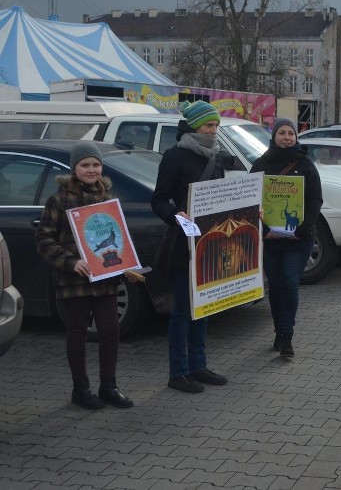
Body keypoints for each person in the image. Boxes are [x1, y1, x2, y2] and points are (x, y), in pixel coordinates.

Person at [35, 142, 134, 409]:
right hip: (73, 280)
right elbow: (44, 239)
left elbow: (118, 237)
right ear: (74, 168)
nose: (91, 170)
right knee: (77, 332)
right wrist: (70, 262)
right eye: (85, 165)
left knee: (110, 331)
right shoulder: (59, 199)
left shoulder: (107, 199)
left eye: (95, 164)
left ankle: (109, 386)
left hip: (104, 278)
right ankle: (80, 388)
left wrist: (126, 262)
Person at [152, 101, 229, 393]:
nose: (214, 130)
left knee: (205, 307)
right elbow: (158, 199)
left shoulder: (216, 157)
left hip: (210, 242)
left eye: (216, 125)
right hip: (183, 243)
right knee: (183, 311)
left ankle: (199, 366)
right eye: (209, 125)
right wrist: (175, 215)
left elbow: (221, 197)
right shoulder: (175, 156)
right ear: (195, 126)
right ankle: (178, 372)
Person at [250, 118, 323, 357]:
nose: (287, 137)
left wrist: (304, 228)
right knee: (277, 285)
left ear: (296, 137)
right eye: (281, 133)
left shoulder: (305, 164)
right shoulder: (261, 164)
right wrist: (263, 228)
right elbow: (251, 200)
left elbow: (315, 200)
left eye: (291, 133)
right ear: (273, 137)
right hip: (271, 238)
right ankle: (278, 331)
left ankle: (287, 335)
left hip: (298, 239)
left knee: (290, 282)